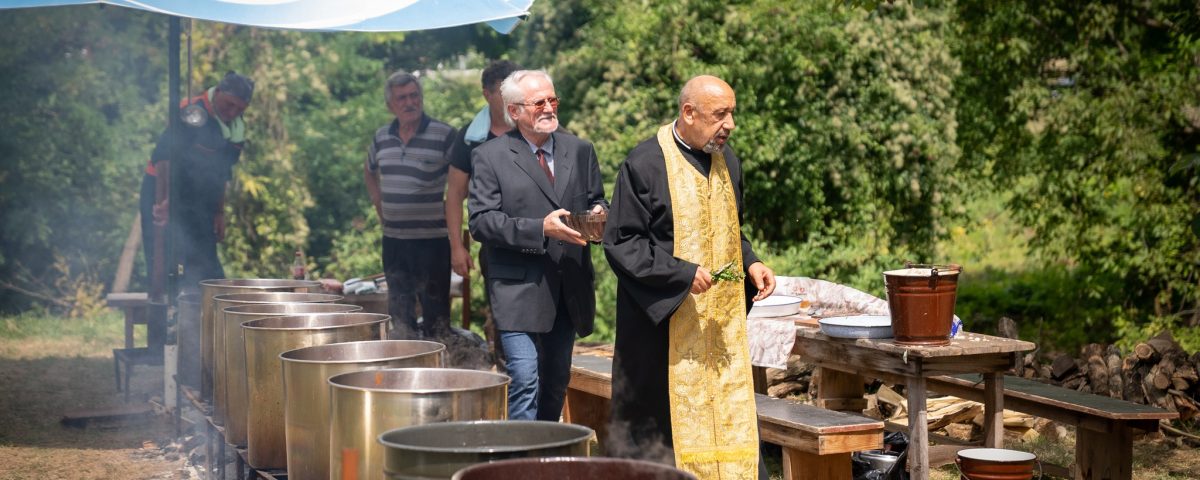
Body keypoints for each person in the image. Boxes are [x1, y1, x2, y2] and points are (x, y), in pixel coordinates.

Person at [602, 75, 776, 479]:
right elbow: (622, 243)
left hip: (717, 328)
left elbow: (731, 230)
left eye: (732, 113)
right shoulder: (644, 164)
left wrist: (751, 262)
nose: (730, 125)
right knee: (661, 437)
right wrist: (680, 274)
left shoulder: (728, 161)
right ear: (689, 113)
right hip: (662, 329)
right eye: (720, 115)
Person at [468, 70, 607, 420]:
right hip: (517, 289)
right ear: (514, 111)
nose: (549, 108)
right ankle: (521, 451)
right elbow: (481, 222)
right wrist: (539, 229)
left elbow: (597, 199)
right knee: (524, 378)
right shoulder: (490, 156)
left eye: (552, 100)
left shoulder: (580, 150)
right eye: (539, 102)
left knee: (556, 382)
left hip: (568, 287)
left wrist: (599, 215)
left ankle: (547, 448)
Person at [139, 70, 254, 292]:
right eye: (229, 104)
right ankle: (165, 308)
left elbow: (222, 171)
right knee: (163, 259)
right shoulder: (192, 113)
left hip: (200, 198)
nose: (233, 112)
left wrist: (219, 212)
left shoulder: (236, 130)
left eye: (240, 109)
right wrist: (164, 201)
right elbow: (163, 158)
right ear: (217, 92)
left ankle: (202, 309)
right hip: (163, 188)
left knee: (206, 265)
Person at [364, 70, 457, 340]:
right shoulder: (382, 137)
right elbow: (369, 170)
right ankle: (406, 361)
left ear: (421, 98)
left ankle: (440, 361)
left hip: (432, 242)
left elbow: (462, 179)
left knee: (436, 317)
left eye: (414, 96)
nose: (409, 103)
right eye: (401, 98)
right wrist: (379, 205)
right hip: (394, 241)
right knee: (400, 315)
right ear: (390, 105)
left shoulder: (444, 134)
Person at [445, 60, 522, 365]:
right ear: (487, 94)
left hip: (540, 237)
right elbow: (454, 194)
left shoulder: (534, 128)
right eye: (504, 93)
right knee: (504, 319)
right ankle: (507, 376)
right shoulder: (471, 138)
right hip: (495, 244)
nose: (512, 100)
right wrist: (456, 246)